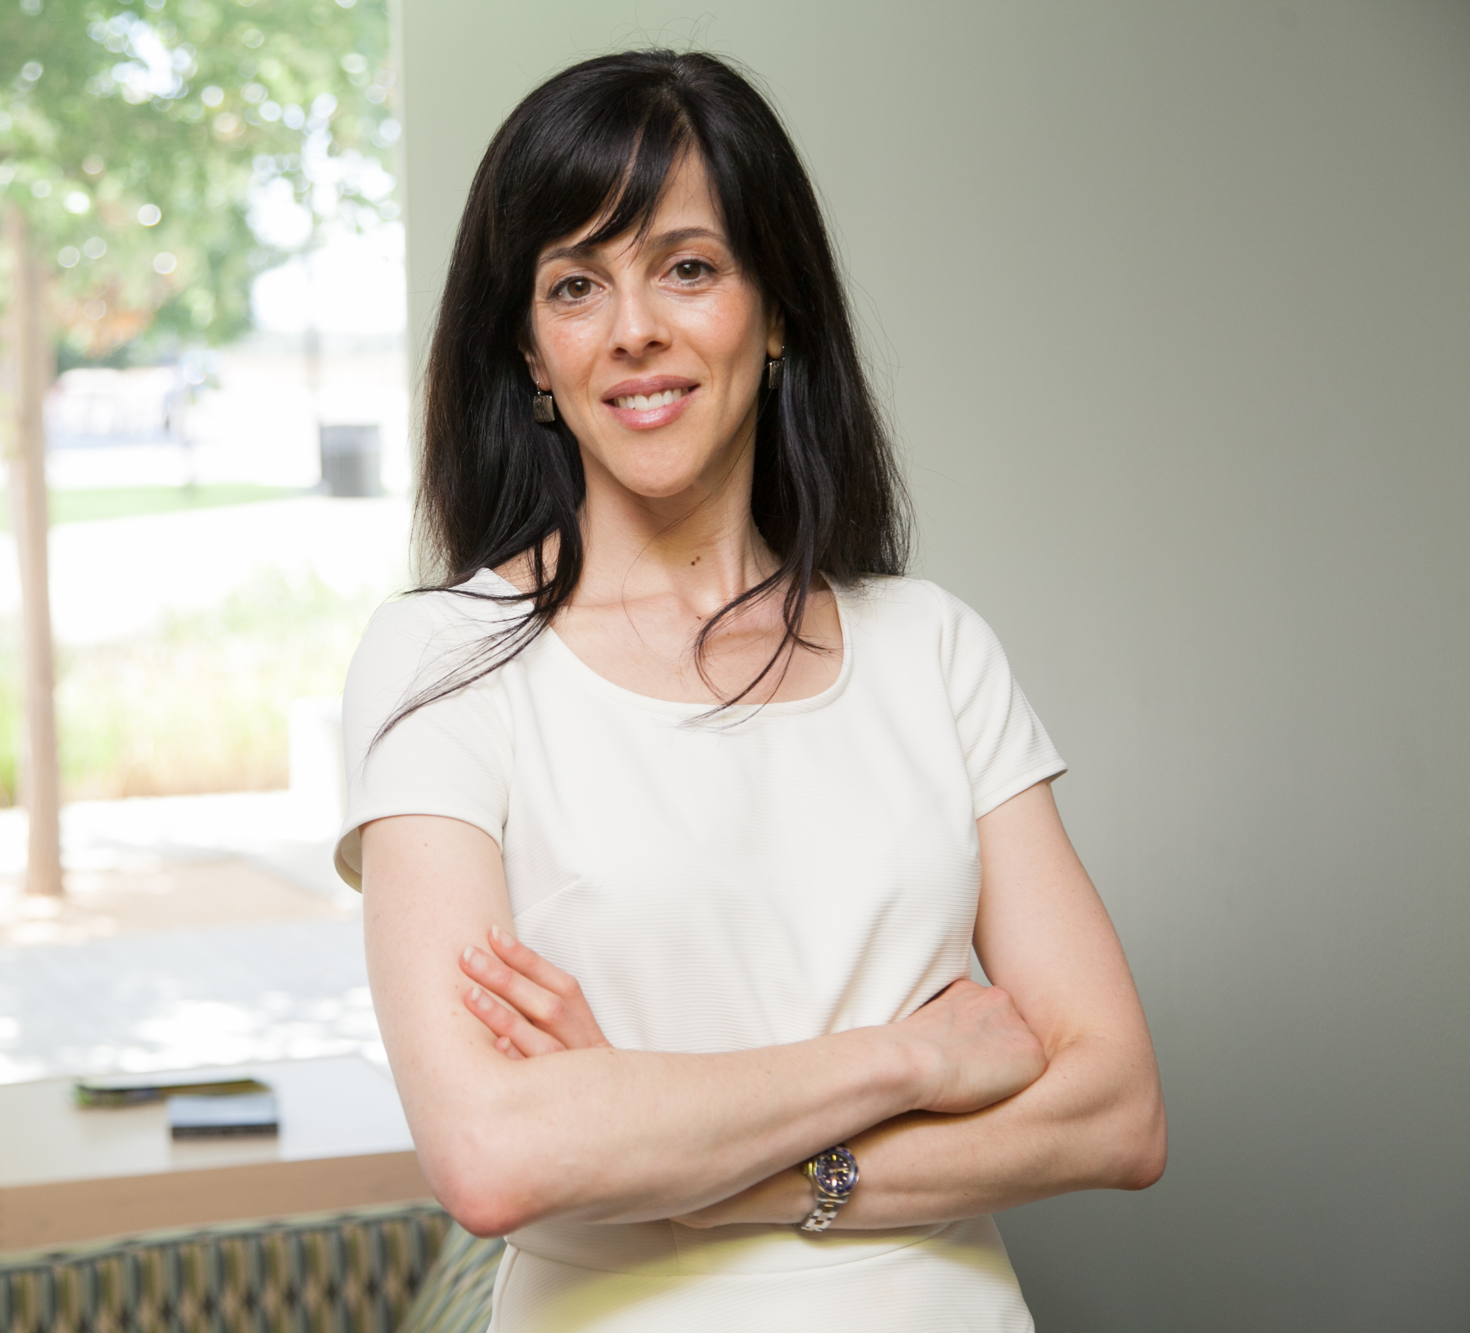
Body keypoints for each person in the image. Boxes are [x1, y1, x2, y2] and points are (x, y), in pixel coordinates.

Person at [334, 50, 1165, 1331]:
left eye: (686, 266)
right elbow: (497, 1156)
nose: (633, 331)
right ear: (530, 352)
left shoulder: (931, 649)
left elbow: (1113, 1111)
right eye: (573, 285)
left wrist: (688, 1160)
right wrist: (909, 1057)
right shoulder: (444, 660)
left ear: (775, 311)